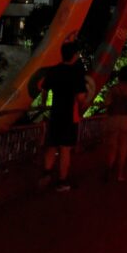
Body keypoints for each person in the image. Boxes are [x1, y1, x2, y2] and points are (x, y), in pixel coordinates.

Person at [39, 41, 88, 192]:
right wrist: (84, 103)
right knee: (65, 149)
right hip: (69, 115)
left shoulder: (54, 71)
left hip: (55, 113)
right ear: (74, 55)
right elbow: (80, 98)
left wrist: (44, 105)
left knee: (52, 145)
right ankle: (62, 180)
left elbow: (44, 88)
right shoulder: (77, 73)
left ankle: (46, 173)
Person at [103, 66, 127, 182]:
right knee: (123, 146)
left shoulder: (113, 89)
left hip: (113, 118)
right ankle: (120, 174)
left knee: (112, 146)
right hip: (126, 119)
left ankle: (108, 168)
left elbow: (107, 103)